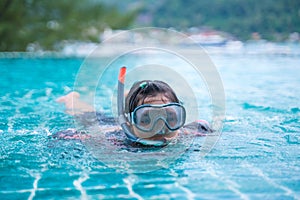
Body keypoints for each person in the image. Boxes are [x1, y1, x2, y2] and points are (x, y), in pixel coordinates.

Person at [55, 68, 213, 147]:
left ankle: (132, 100)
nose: (159, 128)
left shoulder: (193, 132)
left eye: (170, 117)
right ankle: (71, 100)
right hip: (109, 125)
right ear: (129, 122)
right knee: (90, 115)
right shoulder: (112, 138)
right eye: (146, 118)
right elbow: (63, 136)